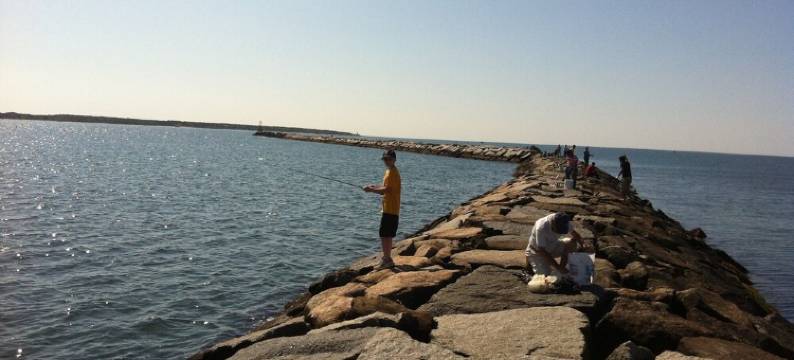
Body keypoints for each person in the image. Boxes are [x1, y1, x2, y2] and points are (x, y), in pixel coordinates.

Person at [363, 149, 401, 269]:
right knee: (386, 234)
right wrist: (373, 186)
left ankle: (387, 260)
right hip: (389, 208)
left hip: (391, 209)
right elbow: (385, 187)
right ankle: (387, 258)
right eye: (385, 159)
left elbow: (387, 190)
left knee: (385, 235)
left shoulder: (392, 173)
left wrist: (371, 190)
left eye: (389, 159)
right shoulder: (389, 171)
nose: (386, 161)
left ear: (394, 159)